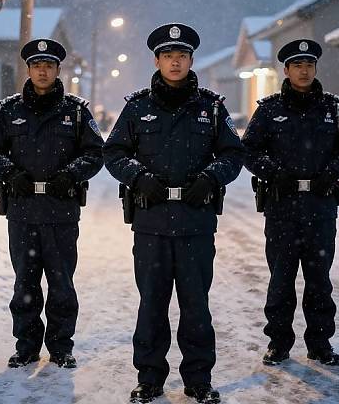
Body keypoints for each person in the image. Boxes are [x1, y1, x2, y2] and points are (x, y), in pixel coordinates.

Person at [103, 24, 243, 403]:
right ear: (157, 60)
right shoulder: (137, 107)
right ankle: (149, 378)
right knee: (152, 306)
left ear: (191, 60)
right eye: (168, 55)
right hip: (151, 225)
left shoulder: (211, 107)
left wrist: (212, 178)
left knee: (196, 306)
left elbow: (234, 154)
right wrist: (138, 177)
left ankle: (198, 379)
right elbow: (113, 153)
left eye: (181, 55)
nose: (175, 61)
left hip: (197, 224)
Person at [0, 38, 103, 369]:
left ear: (58, 69)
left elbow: (95, 152)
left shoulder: (75, 111)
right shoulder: (10, 111)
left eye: (48, 65)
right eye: (37, 65)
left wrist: (72, 174)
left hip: (61, 212)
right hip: (22, 212)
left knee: (62, 283)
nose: (43, 70)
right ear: (29, 70)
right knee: (25, 284)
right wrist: (9, 173)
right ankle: (27, 345)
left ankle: (61, 346)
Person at [241, 39, 339, 367]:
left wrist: (334, 173)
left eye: (309, 64)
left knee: (319, 280)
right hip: (282, 207)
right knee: (280, 280)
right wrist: (273, 172)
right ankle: (279, 343)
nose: (304, 70)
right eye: (297, 65)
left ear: (315, 68)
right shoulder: (269, 110)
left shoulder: (334, 109)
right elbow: (249, 149)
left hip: (321, 207)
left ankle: (320, 343)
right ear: (287, 70)